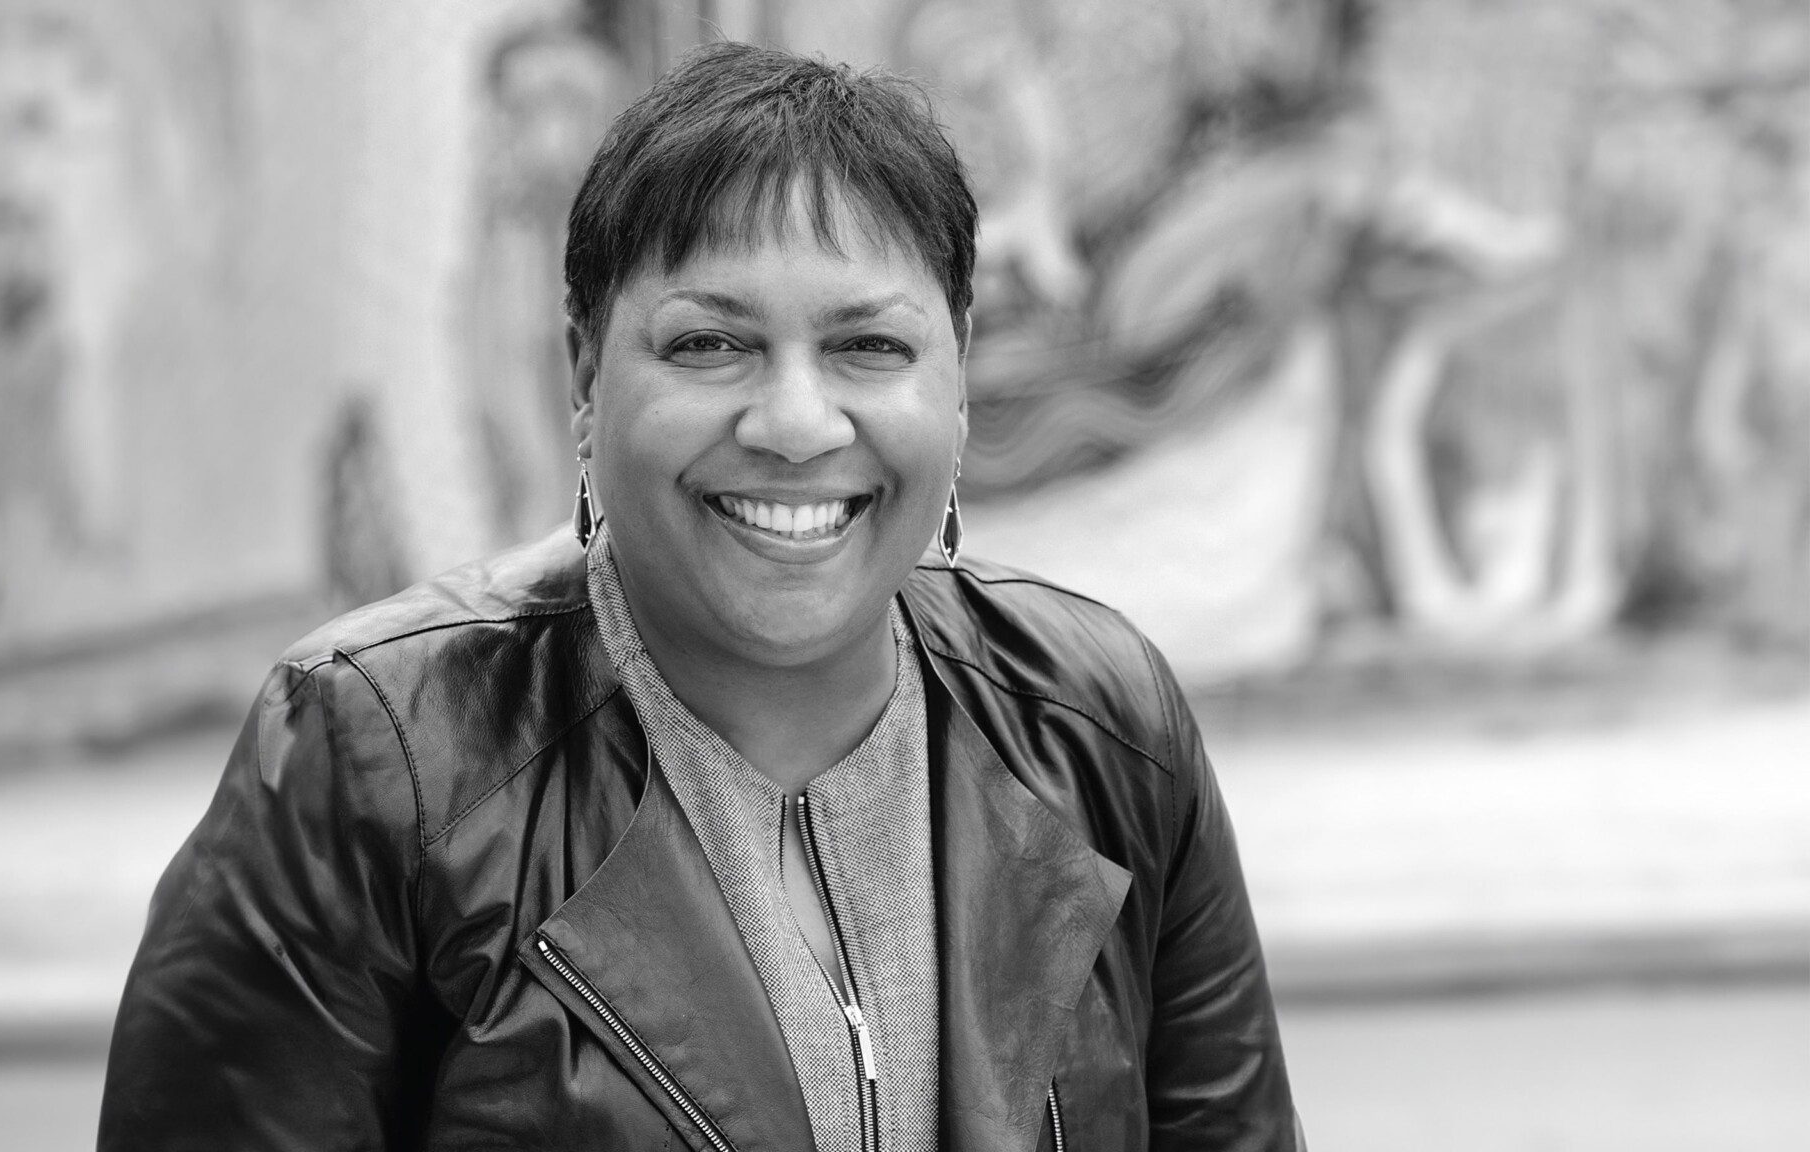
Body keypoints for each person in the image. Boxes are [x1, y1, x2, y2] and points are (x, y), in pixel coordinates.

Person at [100, 42, 1301, 1152]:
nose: (792, 422)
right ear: (583, 372)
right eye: (708, 345)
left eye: (868, 348)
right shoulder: (374, 761)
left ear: (959, 372)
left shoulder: (1099, 727)